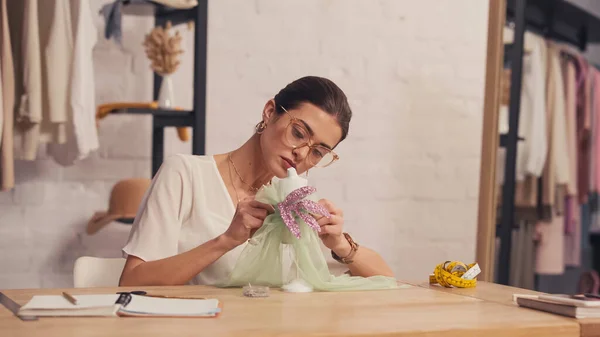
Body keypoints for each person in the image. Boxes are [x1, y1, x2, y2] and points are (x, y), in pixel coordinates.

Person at [119, 76, 395, 286]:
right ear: (269, 112)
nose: (302, 153)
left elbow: (387, 281)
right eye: (298, 133)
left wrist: (339, 244)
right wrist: (226, 240)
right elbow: (132, 281)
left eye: (318, 152)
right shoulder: (185, 174)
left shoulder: (294, 205)